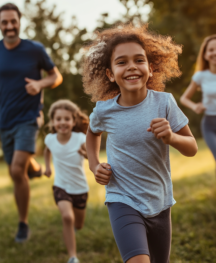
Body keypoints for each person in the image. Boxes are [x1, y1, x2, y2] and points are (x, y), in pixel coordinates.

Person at [83, 24, 198, 263]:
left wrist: (171, 137)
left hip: (159, 200)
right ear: (110, 74)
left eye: (139, 60)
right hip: (121, 198)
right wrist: (95, 165)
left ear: (151, 68)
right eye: (122, 62)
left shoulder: (164, 103)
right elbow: (92, 132)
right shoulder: (104, 110)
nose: (132, 67)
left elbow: (192, 147)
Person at [0, 3, 63, 242]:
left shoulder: (35, 49)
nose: (9, 26)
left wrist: (40, 84)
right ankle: (34, 167)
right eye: (4, 22)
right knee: (18, 172)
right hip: (5, 120)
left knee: (15, 169)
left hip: (29, 118)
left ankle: (23, 223)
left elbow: (56, 76)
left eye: (13, 21)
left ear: (19, 22)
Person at [44, 100, 89, 263]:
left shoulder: (80, 138)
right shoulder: (50, 138)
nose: (62, 122)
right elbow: (47, 150)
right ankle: (73, 257)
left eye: (67, 119)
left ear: (74, 121)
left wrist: (84, 154)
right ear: (53, 122)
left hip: (80, 188)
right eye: (58, 119)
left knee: (78, 224)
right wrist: (48, 167)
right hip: (61, 186)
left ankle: (74, 230)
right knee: (67, 218)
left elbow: (91, 156)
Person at [180, 35, 216, 173]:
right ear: (206, 55)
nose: (214, 52)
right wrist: (195, 106)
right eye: (211, 50)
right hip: (210, 124)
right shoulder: (200, 76)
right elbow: (184, 98)